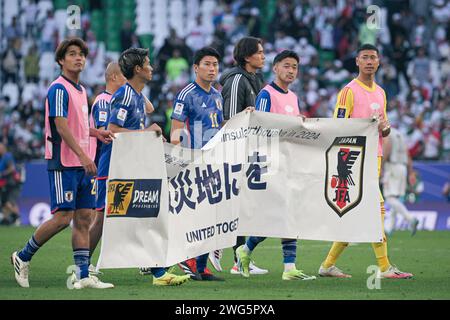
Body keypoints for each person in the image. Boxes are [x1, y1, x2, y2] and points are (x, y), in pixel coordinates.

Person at [11, 38, 115, 289]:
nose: (78, 58)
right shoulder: (58, 88)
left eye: (81, 54)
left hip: (81, 164)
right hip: (63, 163)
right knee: (62, 217)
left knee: (83, 218)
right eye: (72, 54)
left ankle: (82, 275)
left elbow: (77, 127)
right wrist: (82, 155)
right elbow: (61, 126)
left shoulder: (80, 90)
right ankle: (22, 256)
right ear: (60, 60)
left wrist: (95, 133)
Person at [318, 44, 413, 279]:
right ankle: (384, 268)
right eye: (365, 58)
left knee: (353, 217)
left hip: (376, 157)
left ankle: (327, 265)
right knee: (377, 209)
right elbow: (337, 125)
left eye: (373, 57)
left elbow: (386, 129)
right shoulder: (349, 91)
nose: (369, 61)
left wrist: (384, 128)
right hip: (354, 159)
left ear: (379, 62)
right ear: (358, 62)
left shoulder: (381, 92)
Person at [96, 47, 190, 286]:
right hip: (115, 169)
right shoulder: (125, 95)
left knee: (148, 214)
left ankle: (158, 272)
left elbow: (138, 124)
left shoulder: (135, 96)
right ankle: (81, 268)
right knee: (99, 221)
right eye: (147, 64)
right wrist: (147, 132)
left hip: (132, 166)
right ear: (138, 69)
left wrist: (153, 139)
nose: (152, 68)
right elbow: (113, 131)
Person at [235, 50, 316, 280]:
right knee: (283, 215)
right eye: (287, 66)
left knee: (282, 215)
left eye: (295, 67)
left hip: (288, 163)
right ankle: (287, 267)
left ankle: (249, 250)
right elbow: (259, 128)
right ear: (276, 68)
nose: (291, 71)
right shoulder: (266, 94)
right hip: (270, 164)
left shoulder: (292, 97)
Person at [170, 47, 225, 281]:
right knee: (195, 213)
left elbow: (220, 128)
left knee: (212, 214)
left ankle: (201, 265)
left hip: (214, 160)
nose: (212, 69)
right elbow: (176, 130)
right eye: (207, 64)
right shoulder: (186, 94)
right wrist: (184, 159)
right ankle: (187, 258)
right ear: (195, 67)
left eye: (215, 64)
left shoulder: (217, 95)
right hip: (194, 161)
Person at [218, 36, 268, 276]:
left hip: (253, 151)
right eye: (259, 52)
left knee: (247, 207)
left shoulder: (256, 79)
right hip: (236, 152)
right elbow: (227, 120)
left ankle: (240, 257)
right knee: (238, 207)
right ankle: (236, 259)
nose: (263, 56)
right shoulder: (237, 79)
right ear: (247, 57)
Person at [88, 62, 127, 268]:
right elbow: (106, 132)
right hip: (106, 166)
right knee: (101, 218)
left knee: (132, 214)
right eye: (124, 75)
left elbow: (149, 107)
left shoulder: (122, 99)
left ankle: (146, 262)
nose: (127, 79)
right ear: (113, 77)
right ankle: (82, 263)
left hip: (120, 164)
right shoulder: (103, 101)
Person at [382, 127, 419, 236]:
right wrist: (410, 171)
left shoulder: (387, 133)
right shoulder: (400, 134)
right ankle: (390, 228)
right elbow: (408, 155)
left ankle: (410, 218)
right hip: (402, 167)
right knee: (397, 198)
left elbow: (387, 148)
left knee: (389, 198)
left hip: (392, 166)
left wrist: (381, 165)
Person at [0, 143, 22, 225]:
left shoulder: (7, 156)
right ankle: (8, 219)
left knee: (8, 203)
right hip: (6, 184)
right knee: (9, 203)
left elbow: (12, 168)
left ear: (3, 148)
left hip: (12, 183)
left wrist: (3, 174)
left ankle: (17, 217)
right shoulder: (2, 158)